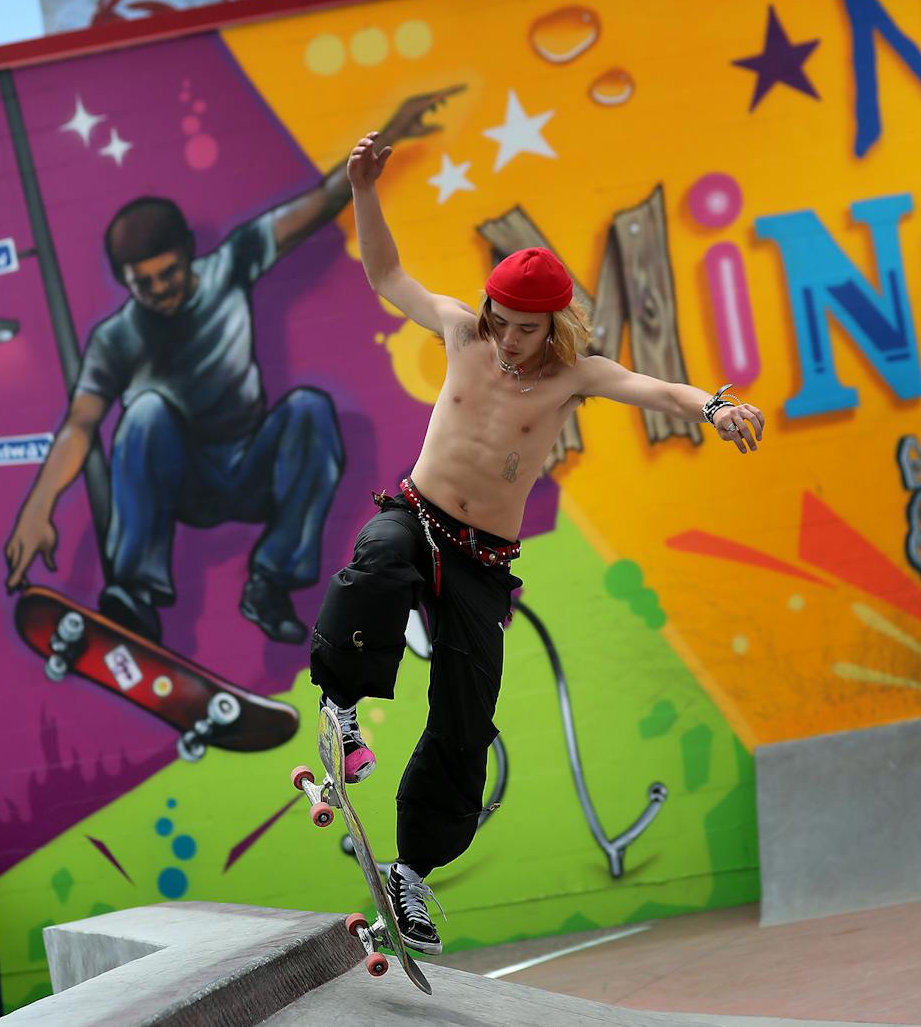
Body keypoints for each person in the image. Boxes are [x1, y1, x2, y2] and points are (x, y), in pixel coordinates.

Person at [308, 132, 767, 954]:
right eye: (503, 323)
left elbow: (651, 384)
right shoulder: (459, 331)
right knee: (374, 565)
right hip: (417, 514)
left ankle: (413, 873)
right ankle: (342, 706)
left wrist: (714, 407)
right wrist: (364, 189)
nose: (510, 342)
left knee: (464, 716)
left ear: (553, 323)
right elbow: (386, 275)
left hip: (484, 562)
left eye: (526, 330)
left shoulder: (572, 374)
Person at [4, 91, 459, 645]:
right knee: (143, 413)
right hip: (183, 479)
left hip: (250, 465)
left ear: (189, 254)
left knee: (309, 410)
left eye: (167, 275)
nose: (158, 292)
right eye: (141, 284)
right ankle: (137, 594)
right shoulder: (117, 335)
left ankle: (271, 581)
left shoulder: (232, 263)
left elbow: (317, 204)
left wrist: (390, 129)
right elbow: (80, 424)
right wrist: (39, 506)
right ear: (126, 280)